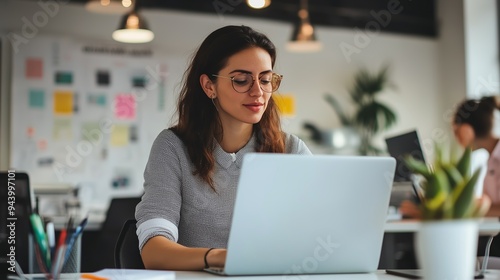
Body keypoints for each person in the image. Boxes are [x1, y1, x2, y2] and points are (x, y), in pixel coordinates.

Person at [135, 25, 312, 271]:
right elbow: (154, 251)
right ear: (209, 86)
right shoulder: (172, 147)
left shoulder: (291, 150)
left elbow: (320, 233)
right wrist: (220, 257)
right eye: (241, 80)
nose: (258, 92)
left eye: (265, 80)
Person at [399, 96, 499, 218]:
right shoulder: (491, 160)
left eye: (455, 131)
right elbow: (487, 204)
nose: (456, 138)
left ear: (465, 130)